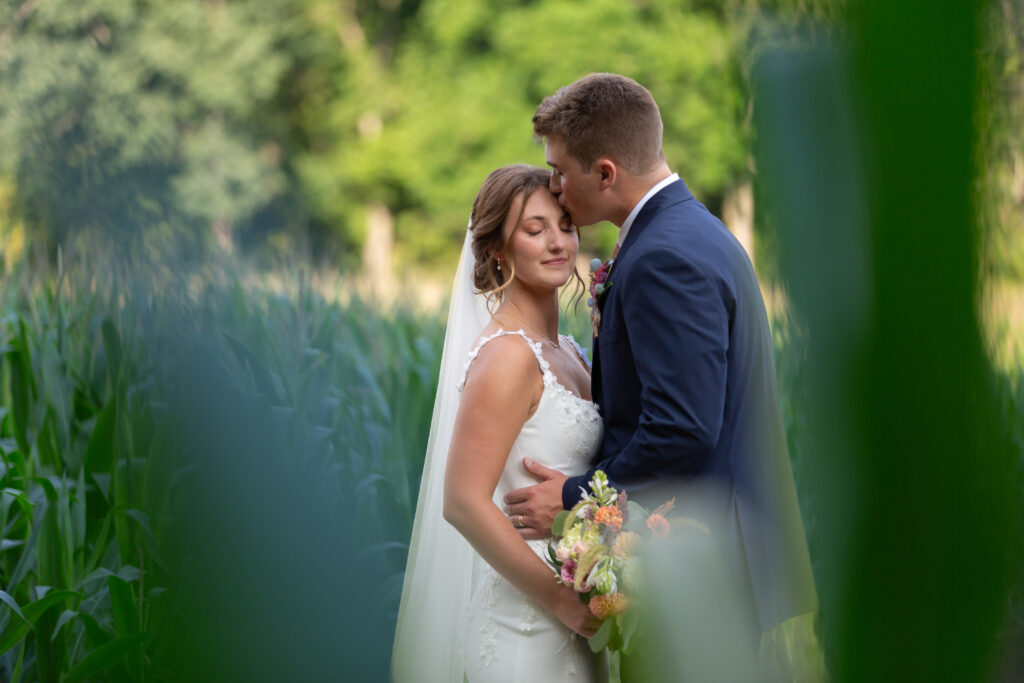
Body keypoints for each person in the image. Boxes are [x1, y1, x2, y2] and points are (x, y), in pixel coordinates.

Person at [501, 73, 820, 677]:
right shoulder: (692, 231)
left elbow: (682, 430)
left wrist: (573, 498)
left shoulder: (663, 258)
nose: (554, 186)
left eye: (560, 170)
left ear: (605, 172)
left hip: (700, 570)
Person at [392, 165, 606, 683]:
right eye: (535, 230)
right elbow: (463, 501)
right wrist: (561, 601)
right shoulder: (509, 355)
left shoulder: (572, 353)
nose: (558, 243)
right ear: (497, 250)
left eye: (565, 225)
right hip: (527, 625)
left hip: (578, 613)